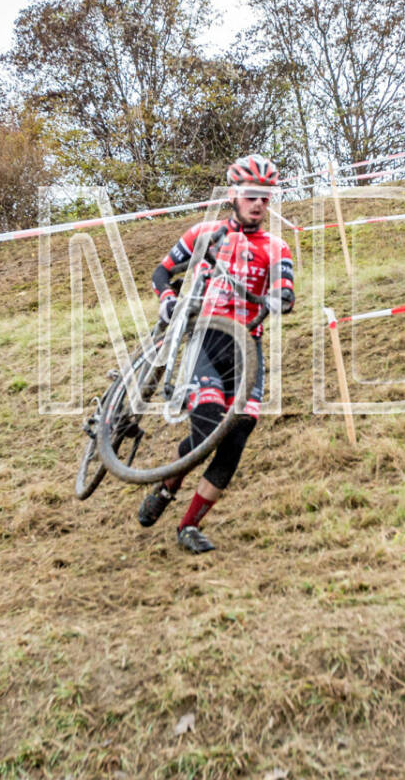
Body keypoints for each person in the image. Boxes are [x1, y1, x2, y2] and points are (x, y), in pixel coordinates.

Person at [134, 154, 295, 554]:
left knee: (238, 432)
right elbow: (161, 271)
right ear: (233, 196)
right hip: (206, 338)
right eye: (251, 196)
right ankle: (167, 490)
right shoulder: (207, 234)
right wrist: (167, 297)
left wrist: (278, 299)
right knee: (206, 425)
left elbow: (288, 293)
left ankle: (189, 526)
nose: (258, 204)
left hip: (246, 346)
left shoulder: (276, 247)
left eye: (265, 197)